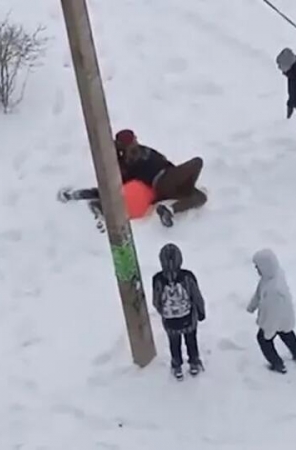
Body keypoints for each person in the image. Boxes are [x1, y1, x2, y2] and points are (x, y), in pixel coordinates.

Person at [115, 129, 207, 227]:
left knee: (201, 197)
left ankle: (169, 210)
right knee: (197, 162)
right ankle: (186, 187)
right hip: (163, 179)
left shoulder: (141, 149)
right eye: (133, 139)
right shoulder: (128, 160)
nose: (136, 139)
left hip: (169, 180)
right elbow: (125, 179)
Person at [247, 248, 296, 374]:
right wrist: (252, 306)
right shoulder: (272, 276)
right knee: (287, 334)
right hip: (285, 318)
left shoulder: (274, 290)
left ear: (265, 267)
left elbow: (272, 314)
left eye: (257, 267)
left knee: (264, 340)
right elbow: (259, 293)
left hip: (274, 320)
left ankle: (277, 364)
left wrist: (268, 331)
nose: (256, 270)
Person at [152, 243, 206, 379]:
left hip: (170, 322)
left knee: (174, 343)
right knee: (191, 340)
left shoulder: (157, 279)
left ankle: (177, 366)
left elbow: (156, 301)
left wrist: (163, 312)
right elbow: (196, 295)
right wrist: (200, 312)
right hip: (188, 319)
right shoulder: (187, 276)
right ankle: (194, 363)